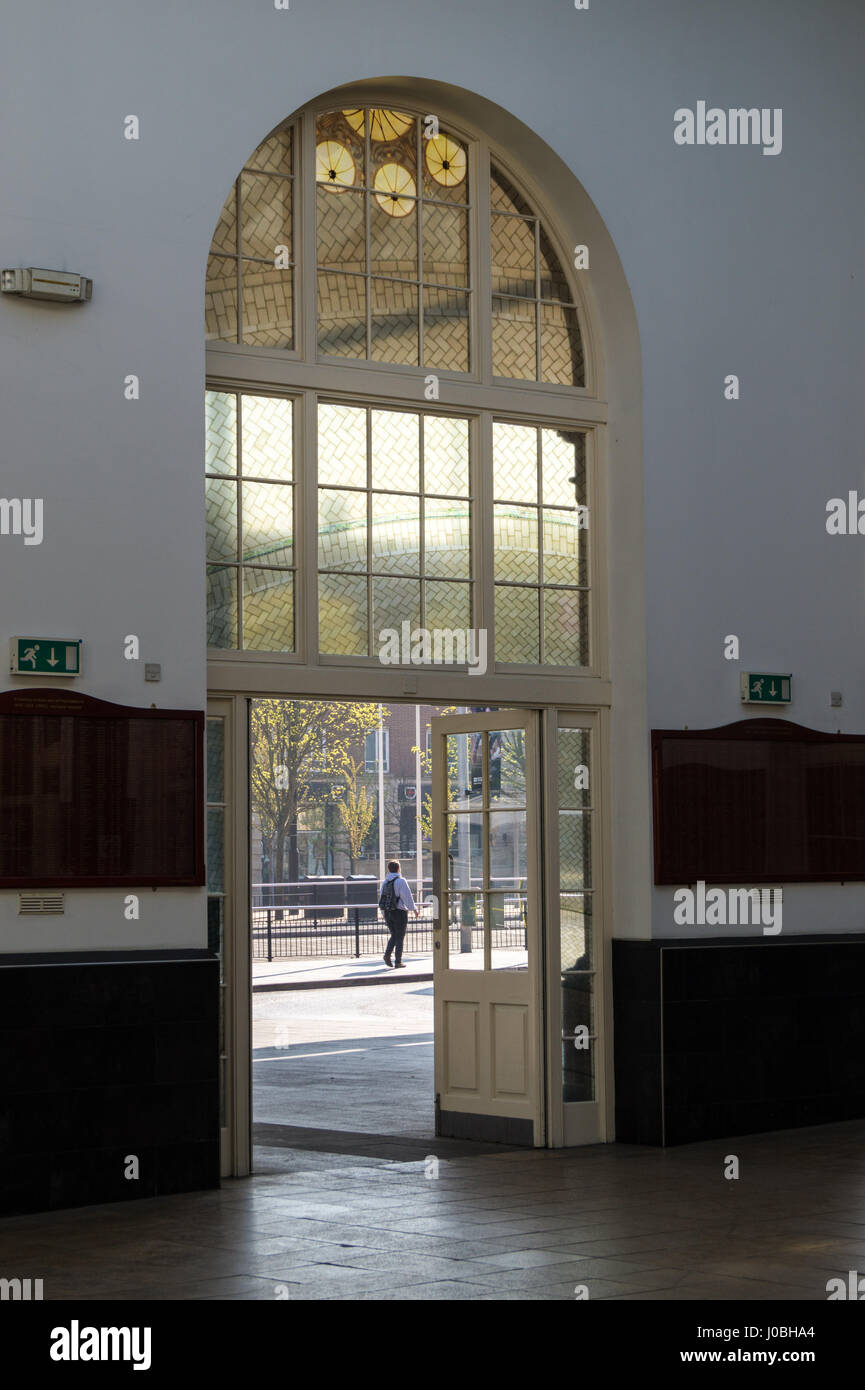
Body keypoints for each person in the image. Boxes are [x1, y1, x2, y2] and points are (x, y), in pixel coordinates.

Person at [379, 859, 418, 968]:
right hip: (399, 912)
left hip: (387, 912)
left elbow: (382, 898)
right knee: (400, 936)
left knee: (394, 935)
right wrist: (414, 909)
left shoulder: (385, 882)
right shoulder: (401, 881)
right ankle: (398, 961)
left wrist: (383, 912)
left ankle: (387, 955)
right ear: (399, 868)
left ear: (389, 869)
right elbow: (407, 897)